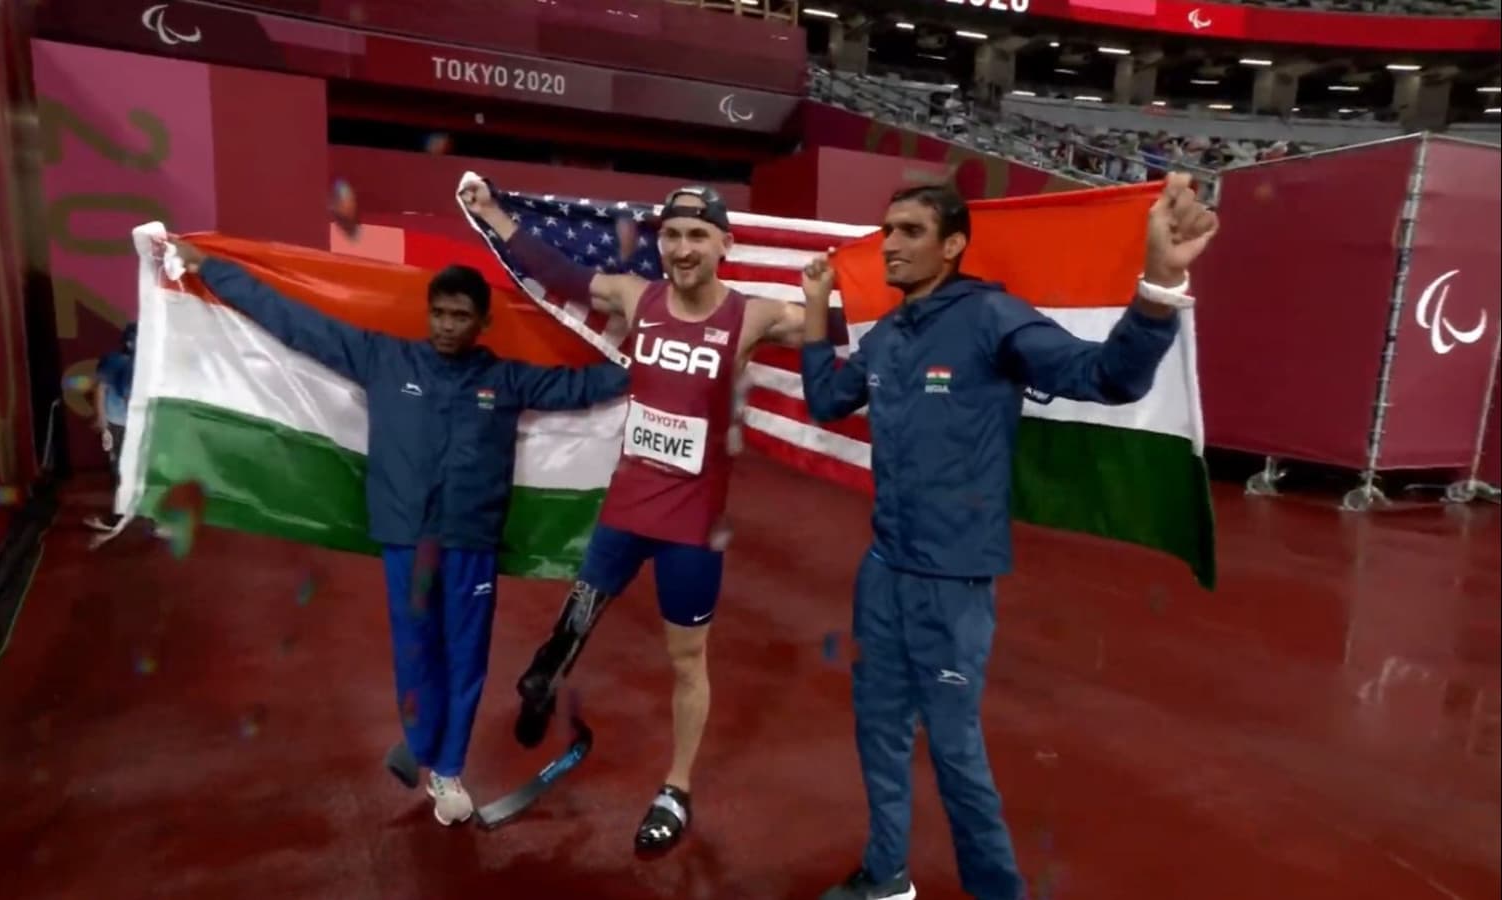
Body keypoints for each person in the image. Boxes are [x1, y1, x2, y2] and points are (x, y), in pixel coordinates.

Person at [798, 174, 1218, 900]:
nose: (891, 244)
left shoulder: (993, 316)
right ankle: (886, 874)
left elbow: (1107, 378)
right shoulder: (891, 335)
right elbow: (827, 399)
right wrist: (813, 310)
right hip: (884, 568)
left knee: (956, 751)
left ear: (953, 244)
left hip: (953, 578)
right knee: (879, 731)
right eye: (888, 230)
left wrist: (1158, 283)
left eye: (910, 232)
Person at [166, 238, 630, 826]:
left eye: (461, 316)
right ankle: (422, 741)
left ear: (483, 321)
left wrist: (661, 367)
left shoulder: (507, 380)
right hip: (406, 539)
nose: (446, 326)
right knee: (414, 653)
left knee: (465, 658)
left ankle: (449, 770)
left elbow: (586, 388)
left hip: (471, 544)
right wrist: (213, 270)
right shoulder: (384, 359)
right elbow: (293, 322)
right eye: (439, 313)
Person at [461, 180, 814, 854]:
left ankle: (675, 787)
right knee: (577, 612)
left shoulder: (754, 315)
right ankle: (544, 681)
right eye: (673, 237)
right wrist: (493, 215)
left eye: (698, 236)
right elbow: (558, 273)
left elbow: (831, 328)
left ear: (724, 245)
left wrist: (849, 289)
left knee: (687, 660)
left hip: (693, 526)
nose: (682, 249)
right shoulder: (635, 295)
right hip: (628, 506)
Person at [85, 323, 137, 537]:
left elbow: (101, 390)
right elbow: (102, 389)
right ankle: (141, 518)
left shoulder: (132, 362)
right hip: (121, 425)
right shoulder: (118, 361)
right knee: (125, 470)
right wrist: (102, 419)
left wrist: (101, 418)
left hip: (127, 424)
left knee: (125, 471)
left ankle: (122, 517)